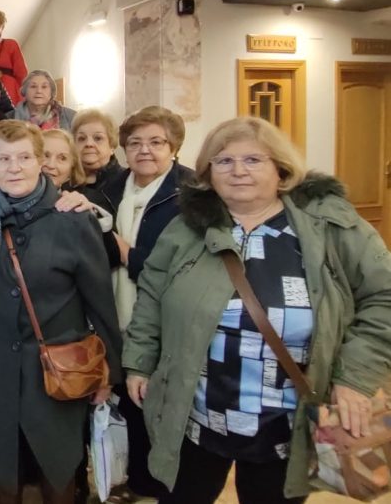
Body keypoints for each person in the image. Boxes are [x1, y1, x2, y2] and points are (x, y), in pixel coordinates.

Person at [124, 117, 391, 504]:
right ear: (208, 172)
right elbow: (151, 293)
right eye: (224, 161)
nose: (238, 171)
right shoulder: (186, 229)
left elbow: (383, 297)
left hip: (287, 419)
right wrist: (139, 361)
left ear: (280, 168)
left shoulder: (330, 228)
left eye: (253, 159)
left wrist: (354, 377)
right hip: (195, 410)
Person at [0, 120, 122, 504]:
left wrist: (109, 370)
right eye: (4, 158)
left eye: (25, 157)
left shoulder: (72, 219)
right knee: (3, 471)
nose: (15, 167)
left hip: (52, 370)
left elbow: (99, 301)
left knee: (56, 474)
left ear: (41, 161)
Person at [97, 105, 193, 499]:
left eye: (156, 142)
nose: (145, 151)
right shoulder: (112, 189)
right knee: (130, 403)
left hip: (165, 319)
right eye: (135, 143)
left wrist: (127, 254)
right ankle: (136, 481)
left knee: (162, 407)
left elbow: (181, 268)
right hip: (117, 311)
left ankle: (164, 484)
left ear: (173, 147)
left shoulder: (190, 195)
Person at [72, 109, 123, 190]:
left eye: (98, 138)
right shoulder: (64, 182)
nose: (89, 144)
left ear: (112, 146)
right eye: (82, 138)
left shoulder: (126, 181)